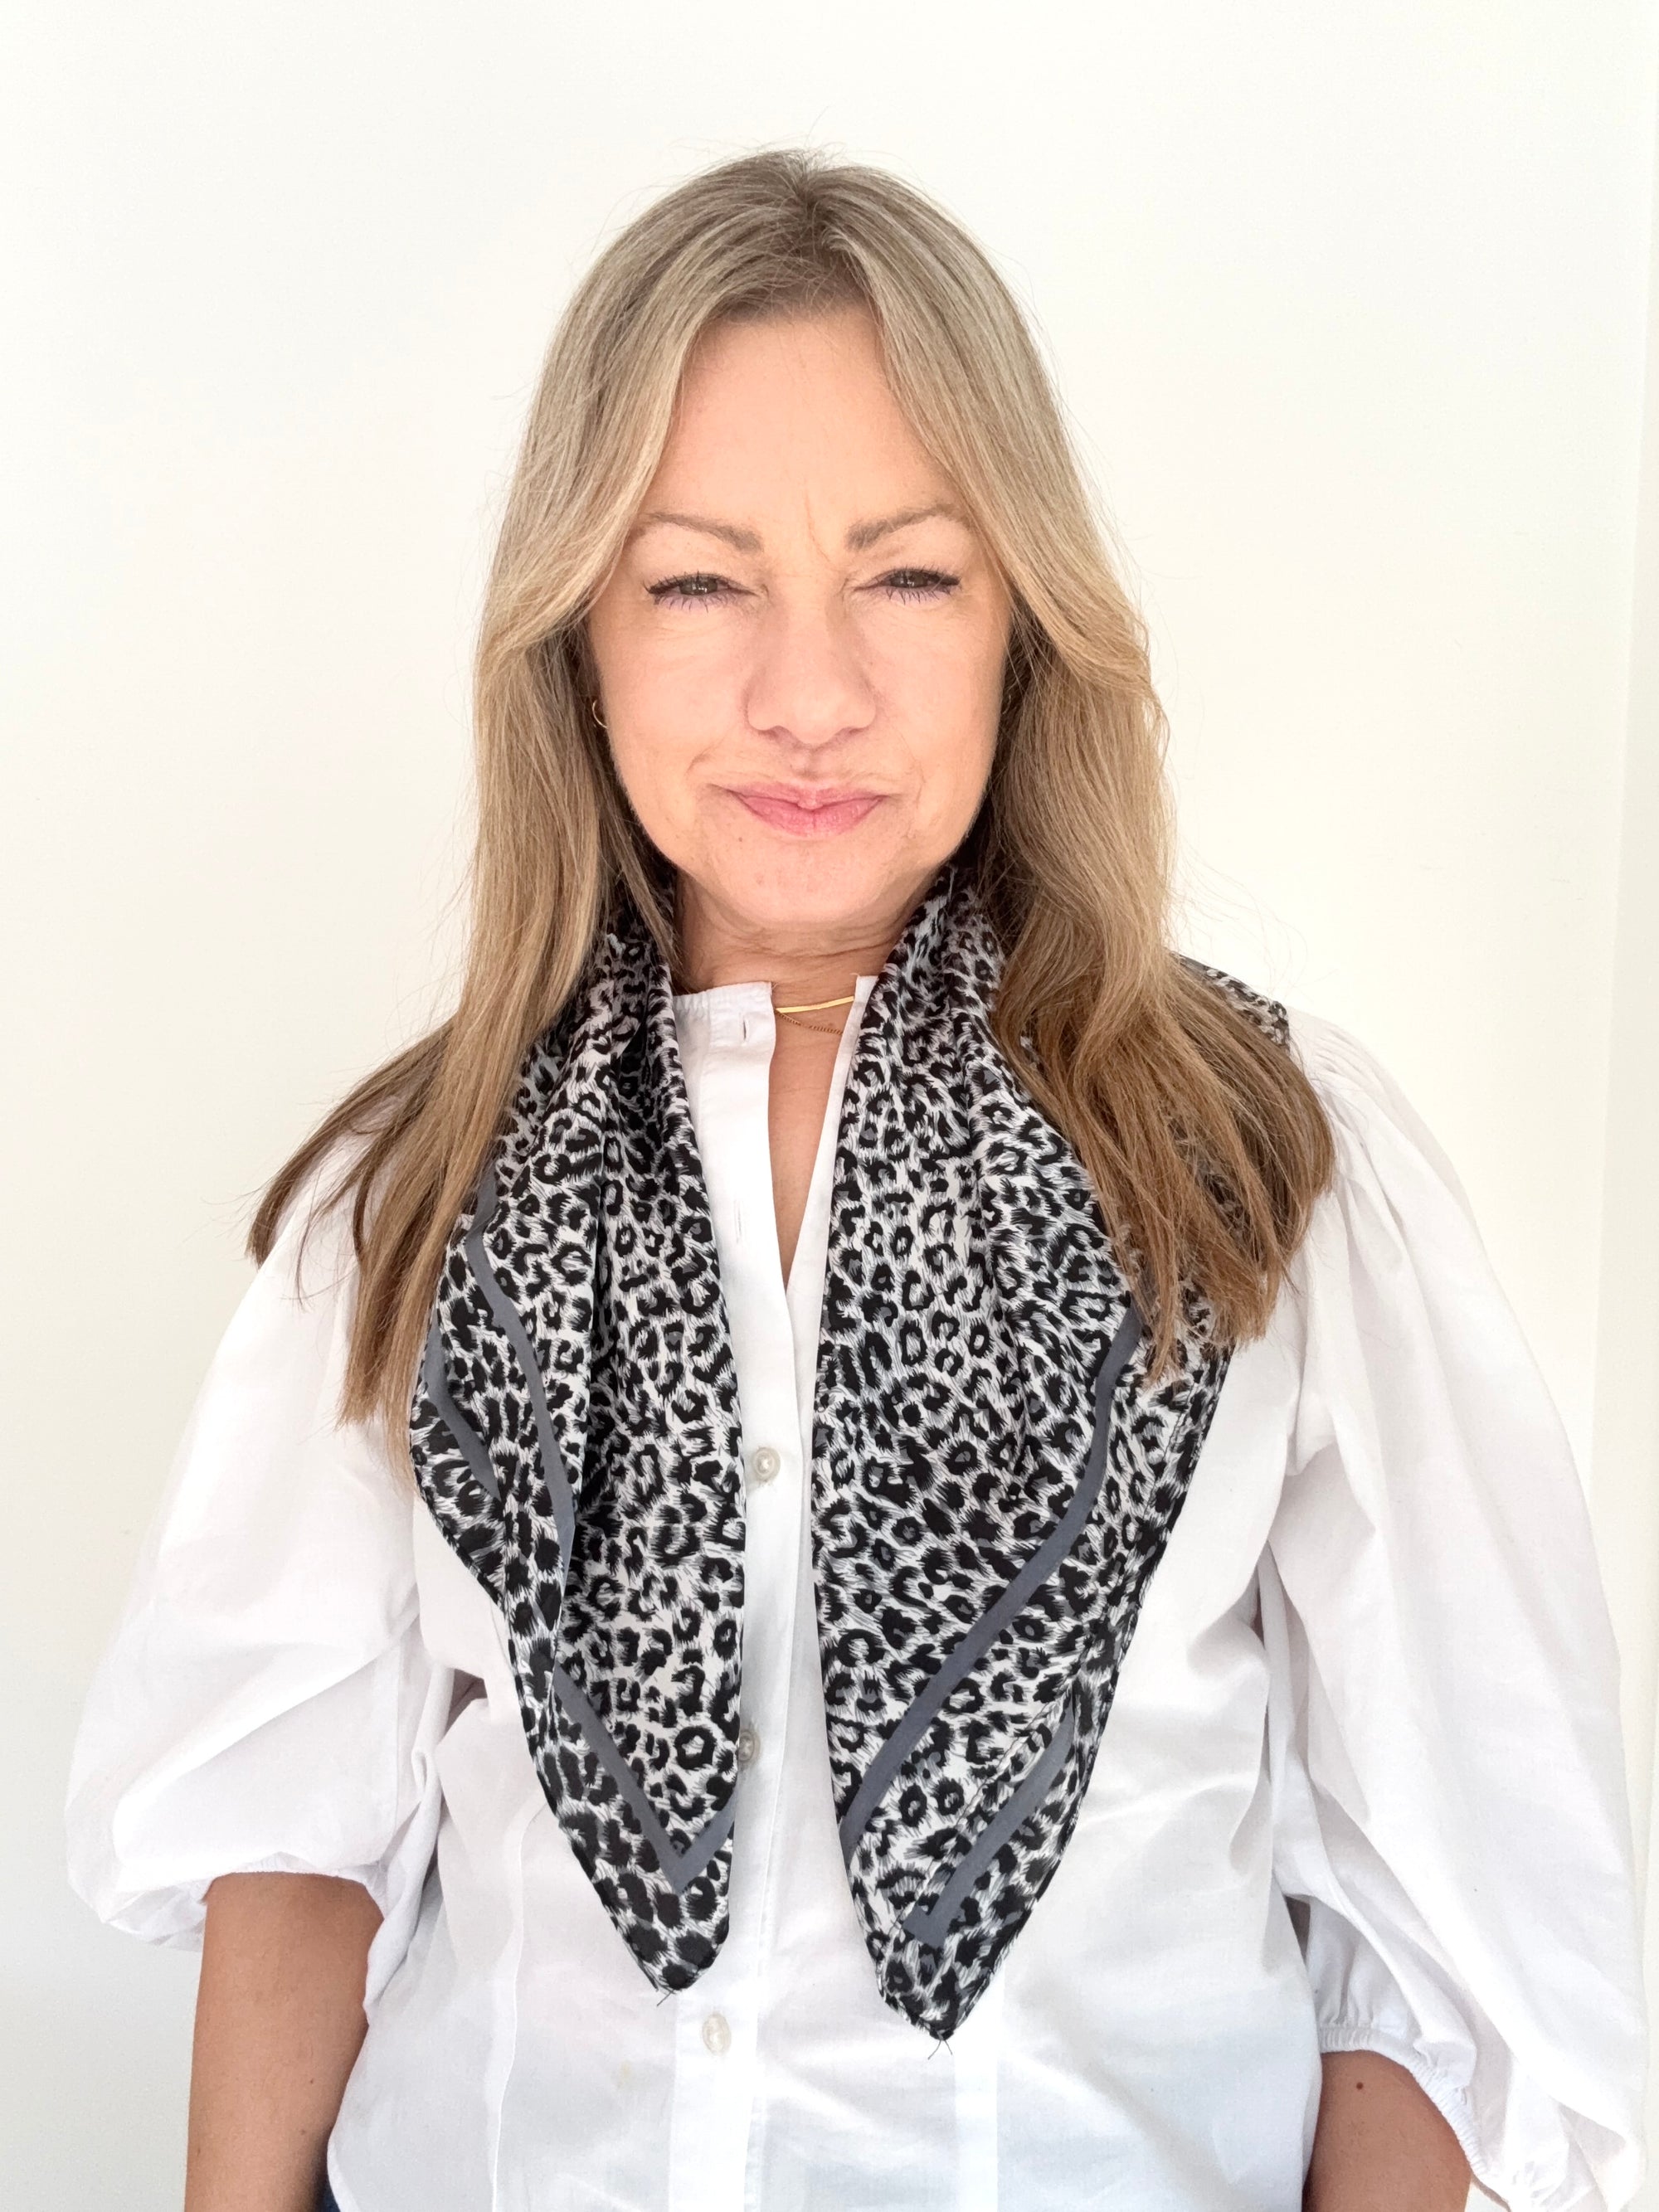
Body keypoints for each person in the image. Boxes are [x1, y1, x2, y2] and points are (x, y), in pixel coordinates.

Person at [67, 148, 1644, 2212]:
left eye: (908, 574)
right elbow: (290, 1836)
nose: (806, 692)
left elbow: (1463, 1910)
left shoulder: (1261, 1159)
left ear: (1020, 620)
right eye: (698, 579)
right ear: (580, 630)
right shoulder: (418, 1187)